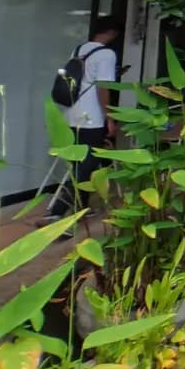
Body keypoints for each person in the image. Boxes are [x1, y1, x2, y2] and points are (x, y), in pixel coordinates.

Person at [44, 15, 122, 223]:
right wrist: (109, 117)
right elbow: (103, 88)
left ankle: (81, 209)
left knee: (77, 163)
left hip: (71, 113)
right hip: (91, 118)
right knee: (85, 166)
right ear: (112, 33)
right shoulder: (106, 54)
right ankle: (57, 211)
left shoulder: (79, 50)